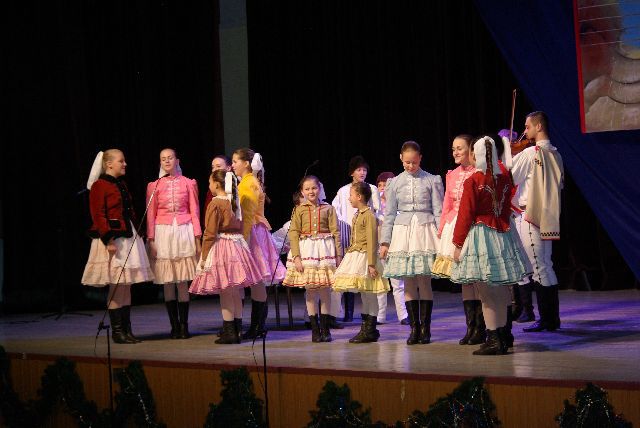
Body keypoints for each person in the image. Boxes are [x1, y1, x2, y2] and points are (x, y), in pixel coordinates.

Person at [450, 136, 531, 355]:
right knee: (501, 291)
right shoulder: (503, 177)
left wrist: (458, 243)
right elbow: (507, 207)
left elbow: (465, 215)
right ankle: (503, 336)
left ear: (474, 154)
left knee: (486, 294)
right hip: (503, 234)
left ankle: (494, 338)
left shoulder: (473, 181)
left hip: (482, 235)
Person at [81, 149, 154, 344]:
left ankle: (127, 330)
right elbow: (98, 214)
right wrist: (108, 240)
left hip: (127, 236)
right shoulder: (100, 185)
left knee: (126, 286)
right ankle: (117, 331)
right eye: (121, 161)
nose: (125, 164)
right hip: (113, 238)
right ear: (109, 164)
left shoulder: (120, 184)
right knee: (117, 285)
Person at [380, 141, 443, 345]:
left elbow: (438, 211)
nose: (411, 166)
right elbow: (389, 214)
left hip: (425, 231)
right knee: (408, 281)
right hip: (403, 232)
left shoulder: (431, 180)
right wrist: (385, 241)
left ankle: (426, 329)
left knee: (424, 280)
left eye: (414, 162)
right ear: (401, 158)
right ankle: (414, 328)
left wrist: (442, 236)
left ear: (420, 159)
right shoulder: (395, 183)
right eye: (407, 162)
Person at [190, 170, 263, 344]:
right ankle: (237, 330)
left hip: (222, 247)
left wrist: (204, 257)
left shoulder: (216, 203)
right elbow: (242, 226)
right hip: (237, 246)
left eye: (210, 182)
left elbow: (210, 233)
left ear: (216, 184)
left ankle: (230, 331)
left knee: (225, 291)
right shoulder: (234, 202)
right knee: (235, 292)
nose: (209, 186)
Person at [511, 112, 564, 333]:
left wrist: (508, 155)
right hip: (548, 213)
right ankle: (551, 318)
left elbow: (510, 177)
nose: (525, 132)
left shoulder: (531, 153)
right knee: (545, 265)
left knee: (537, 267)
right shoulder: (555, 153)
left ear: (539, 126)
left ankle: (547, 319)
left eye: (528, 127)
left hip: (530, 214)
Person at [432, 135, 485, 345]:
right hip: (454, 225)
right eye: (453, 148)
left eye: (460, 148)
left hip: (471, 226)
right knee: (464, 279)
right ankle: (471, 327)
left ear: (470, 149)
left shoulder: (477, 172)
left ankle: (481, 327)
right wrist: (442, 227)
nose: (455, 152)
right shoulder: (452, 175)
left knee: (475, 277)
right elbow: (447, 203)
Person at [146, 148, 201, 339]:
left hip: (184, 230)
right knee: (168, 280)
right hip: (163, 232)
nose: (167, 161)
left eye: (170, 158)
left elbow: (194, 211)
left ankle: (184, 326)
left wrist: (197, 237)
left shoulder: (188, 183)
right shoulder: (154, 185)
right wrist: (151, 240)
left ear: (177, 160)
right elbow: (151, 215)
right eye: (163, 159)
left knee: (182, 280)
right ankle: (174, 326)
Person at [232, 148, 286, 340]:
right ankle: (258, 327)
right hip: (255, 231)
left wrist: (243, 239)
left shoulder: (248, 183)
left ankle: (257, 327)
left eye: (235, 161)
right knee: (257, 282)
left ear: (246, 163)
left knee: (257, 281)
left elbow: (247, 215)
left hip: (252, 232)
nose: (233, 165)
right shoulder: (248, 181)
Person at [283, 176, 342, 342]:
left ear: (319, 189)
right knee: (310, 290)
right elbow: (294, 233)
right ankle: (315, 329)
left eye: (314, 188)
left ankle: (325, 329)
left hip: (324, 251)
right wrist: (296, 257)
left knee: (325, 290)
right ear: (302, 192)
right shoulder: (299, 210)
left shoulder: (328, 208)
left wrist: (339, 255)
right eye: (307, 189)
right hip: (307, 251)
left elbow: (336, 232)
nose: (311, 191)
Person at [334, 182, 389, 343]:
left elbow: (372, 241)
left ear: (359, 197)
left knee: (370, 294)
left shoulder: (369, 215)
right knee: (365, 294)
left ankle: (370, 329)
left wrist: (371, 264)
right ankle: (366, 328)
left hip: (366, 257)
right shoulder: (357, 214)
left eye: (351, 195)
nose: (349, 198)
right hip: (357, 255)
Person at [331, 156, 382, 324]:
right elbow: (336, 211)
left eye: (364, 170)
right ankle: (351, 314)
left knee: (367, 284)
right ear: (352, 172)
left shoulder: (370, 193)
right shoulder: (344, 192)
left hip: (366, 242)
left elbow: (378, 213)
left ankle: (370, 323)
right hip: (350, 236)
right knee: (354, 279)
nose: (362, 172)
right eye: (359, 169)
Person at [375, 172, 408, 325]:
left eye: (386, 185)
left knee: (398, 284)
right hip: (379, 248)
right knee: (381, 284)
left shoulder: (399, 206)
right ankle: (380, 316)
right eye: (380, 185)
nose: (383, 188)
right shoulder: (374, 208)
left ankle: (403, 315)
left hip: (395, 247)